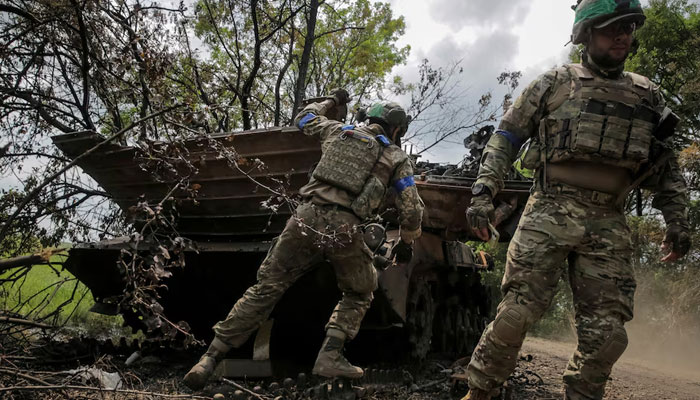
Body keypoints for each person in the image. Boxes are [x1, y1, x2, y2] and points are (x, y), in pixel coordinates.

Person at [462, 1, 691, 399]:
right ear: (586, 34)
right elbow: (505, 138)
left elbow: (666, 168)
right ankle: (479, 391)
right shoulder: (552, 83)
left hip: (608, 219)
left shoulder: (648, 95)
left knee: (608, 334)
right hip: (549, 208)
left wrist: (677, 222)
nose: (622, 36)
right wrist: (484, 192)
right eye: (611, 28)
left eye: (628, 28)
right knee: (515, 315)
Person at [183, 90, 424, 390]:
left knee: (265, 289)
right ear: (397, 130)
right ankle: (330, 354)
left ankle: (208, 359)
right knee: (361, 290)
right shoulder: (395, 156)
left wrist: (333, 101)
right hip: (344, 229)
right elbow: (412, 209)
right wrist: (407, 240)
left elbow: (304, 117)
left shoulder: (337, 131)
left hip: (304, 219)